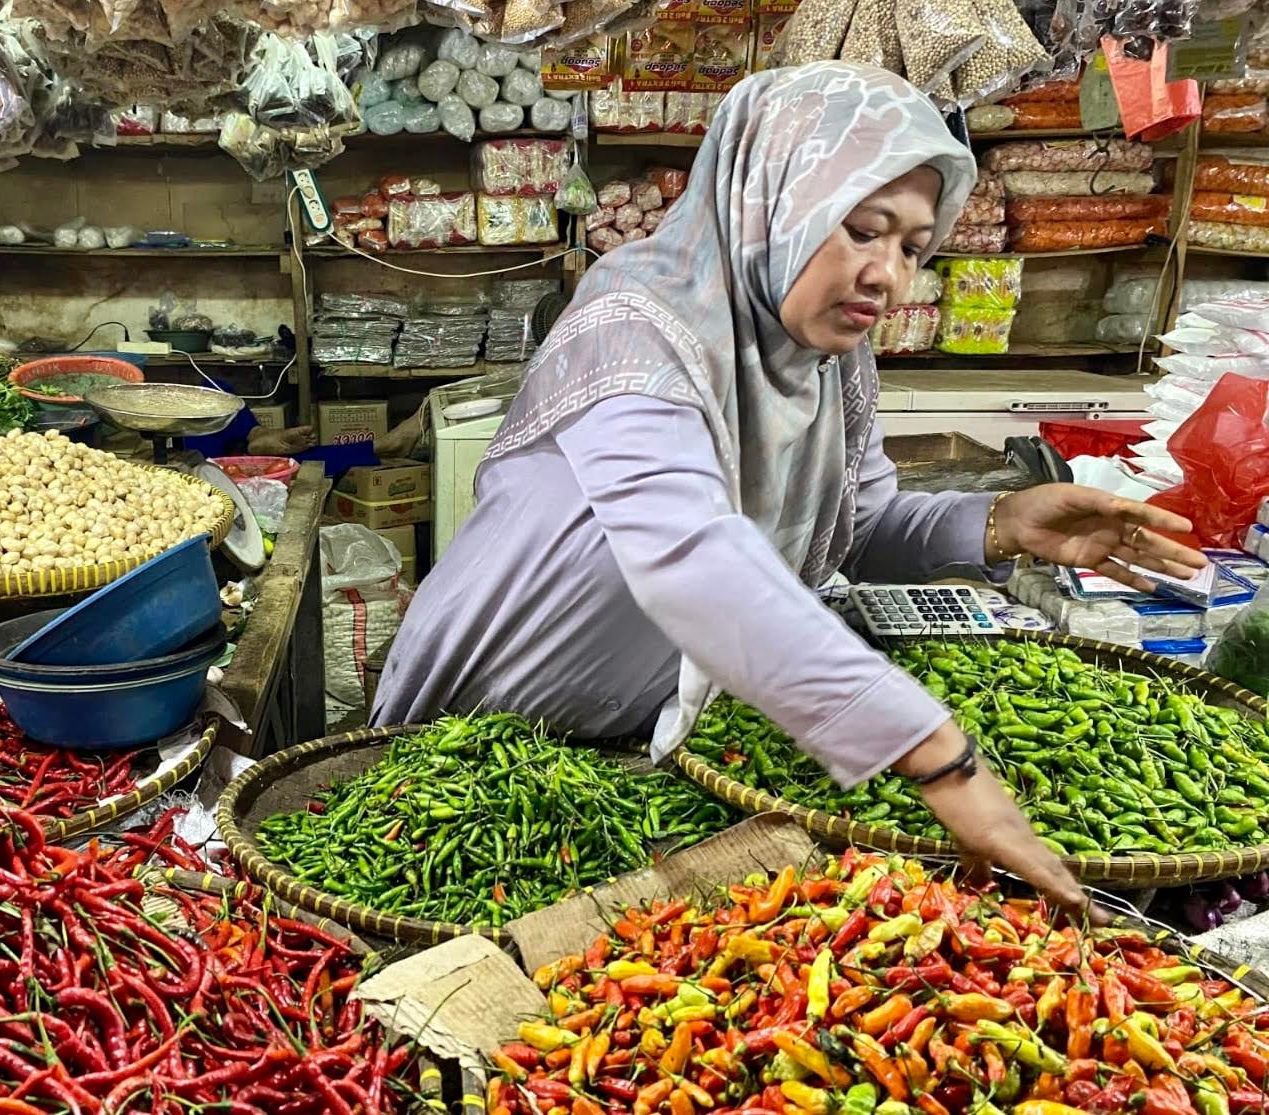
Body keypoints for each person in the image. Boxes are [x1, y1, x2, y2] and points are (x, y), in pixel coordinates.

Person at [371, 62, 1207, 913]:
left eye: (913, 247)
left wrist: (1000, 522)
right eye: (862, 228)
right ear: (774, 196)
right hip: (481, 728)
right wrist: (933, 753)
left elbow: (859, 520)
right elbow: (693, 559)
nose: (888, 274)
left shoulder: (827, 362)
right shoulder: (633, 329)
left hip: (635, 744)